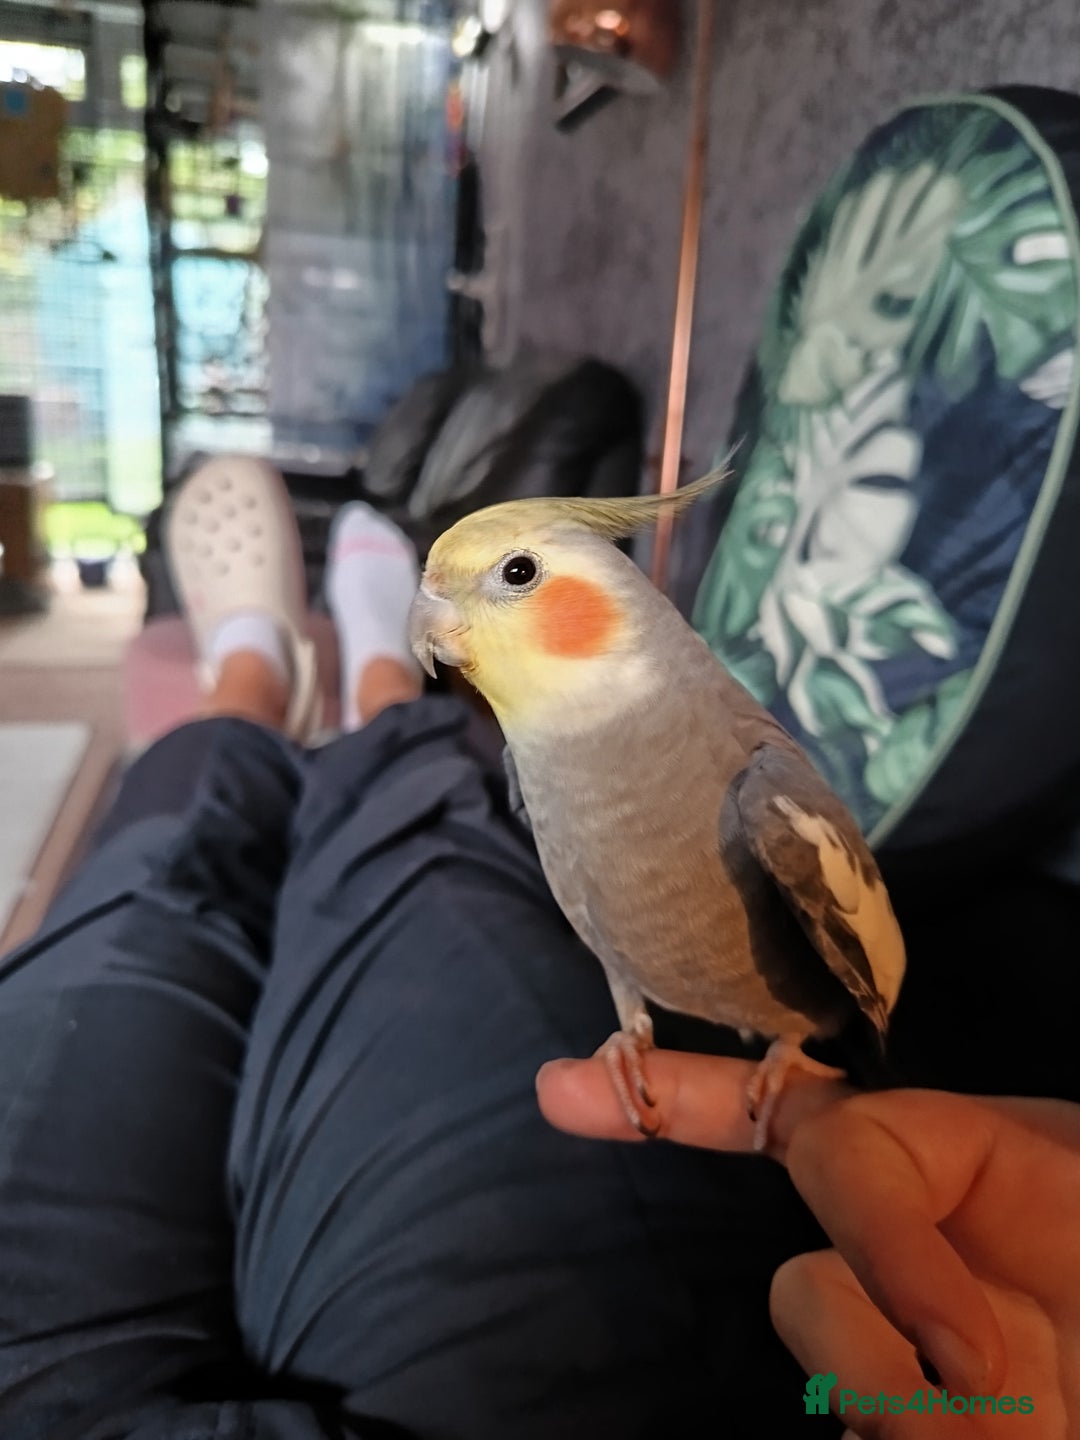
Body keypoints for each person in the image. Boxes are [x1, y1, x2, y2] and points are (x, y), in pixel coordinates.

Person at [0, 464, 1074, 1440]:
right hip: (625, 988)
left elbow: (866, 982)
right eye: (444, 592)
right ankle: (362, 692)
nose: (456, 612)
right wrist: (630, 1019)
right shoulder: (538, 757)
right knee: (415, 836)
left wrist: (804, 1045)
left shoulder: (761, 789)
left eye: (511, 578)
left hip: (793, 1019)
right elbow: (596, 911)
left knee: (147, 897)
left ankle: (263, 693)